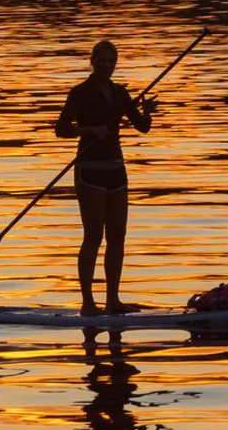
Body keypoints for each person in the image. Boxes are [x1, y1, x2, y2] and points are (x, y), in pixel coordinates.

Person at [55, 40, 155, 316]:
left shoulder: (120, 93)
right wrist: (89, 130)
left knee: (117, 236)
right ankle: (88, 303)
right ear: (92, 61)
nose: (106, 66)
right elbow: (61, 129)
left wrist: (147, 112)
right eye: (101, 61)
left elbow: (142, 128)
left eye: (111, 61)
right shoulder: (79, 93)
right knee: (93, 237)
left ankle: (113, 300)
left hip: (117, 171)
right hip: (90, 170)